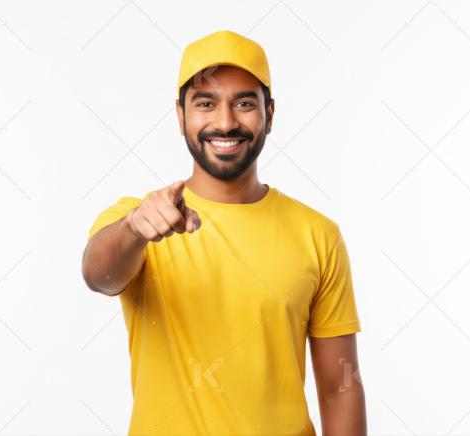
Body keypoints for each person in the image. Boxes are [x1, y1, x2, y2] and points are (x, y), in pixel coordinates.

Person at [81, 30, 366, 435]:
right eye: (205, 103)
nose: (226, 122)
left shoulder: (319, 235)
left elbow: (341, 388)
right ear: (181, 116)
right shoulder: (141, 220)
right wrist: (133, 230)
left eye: (245, 103)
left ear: (270, 112)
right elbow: (99, 276)